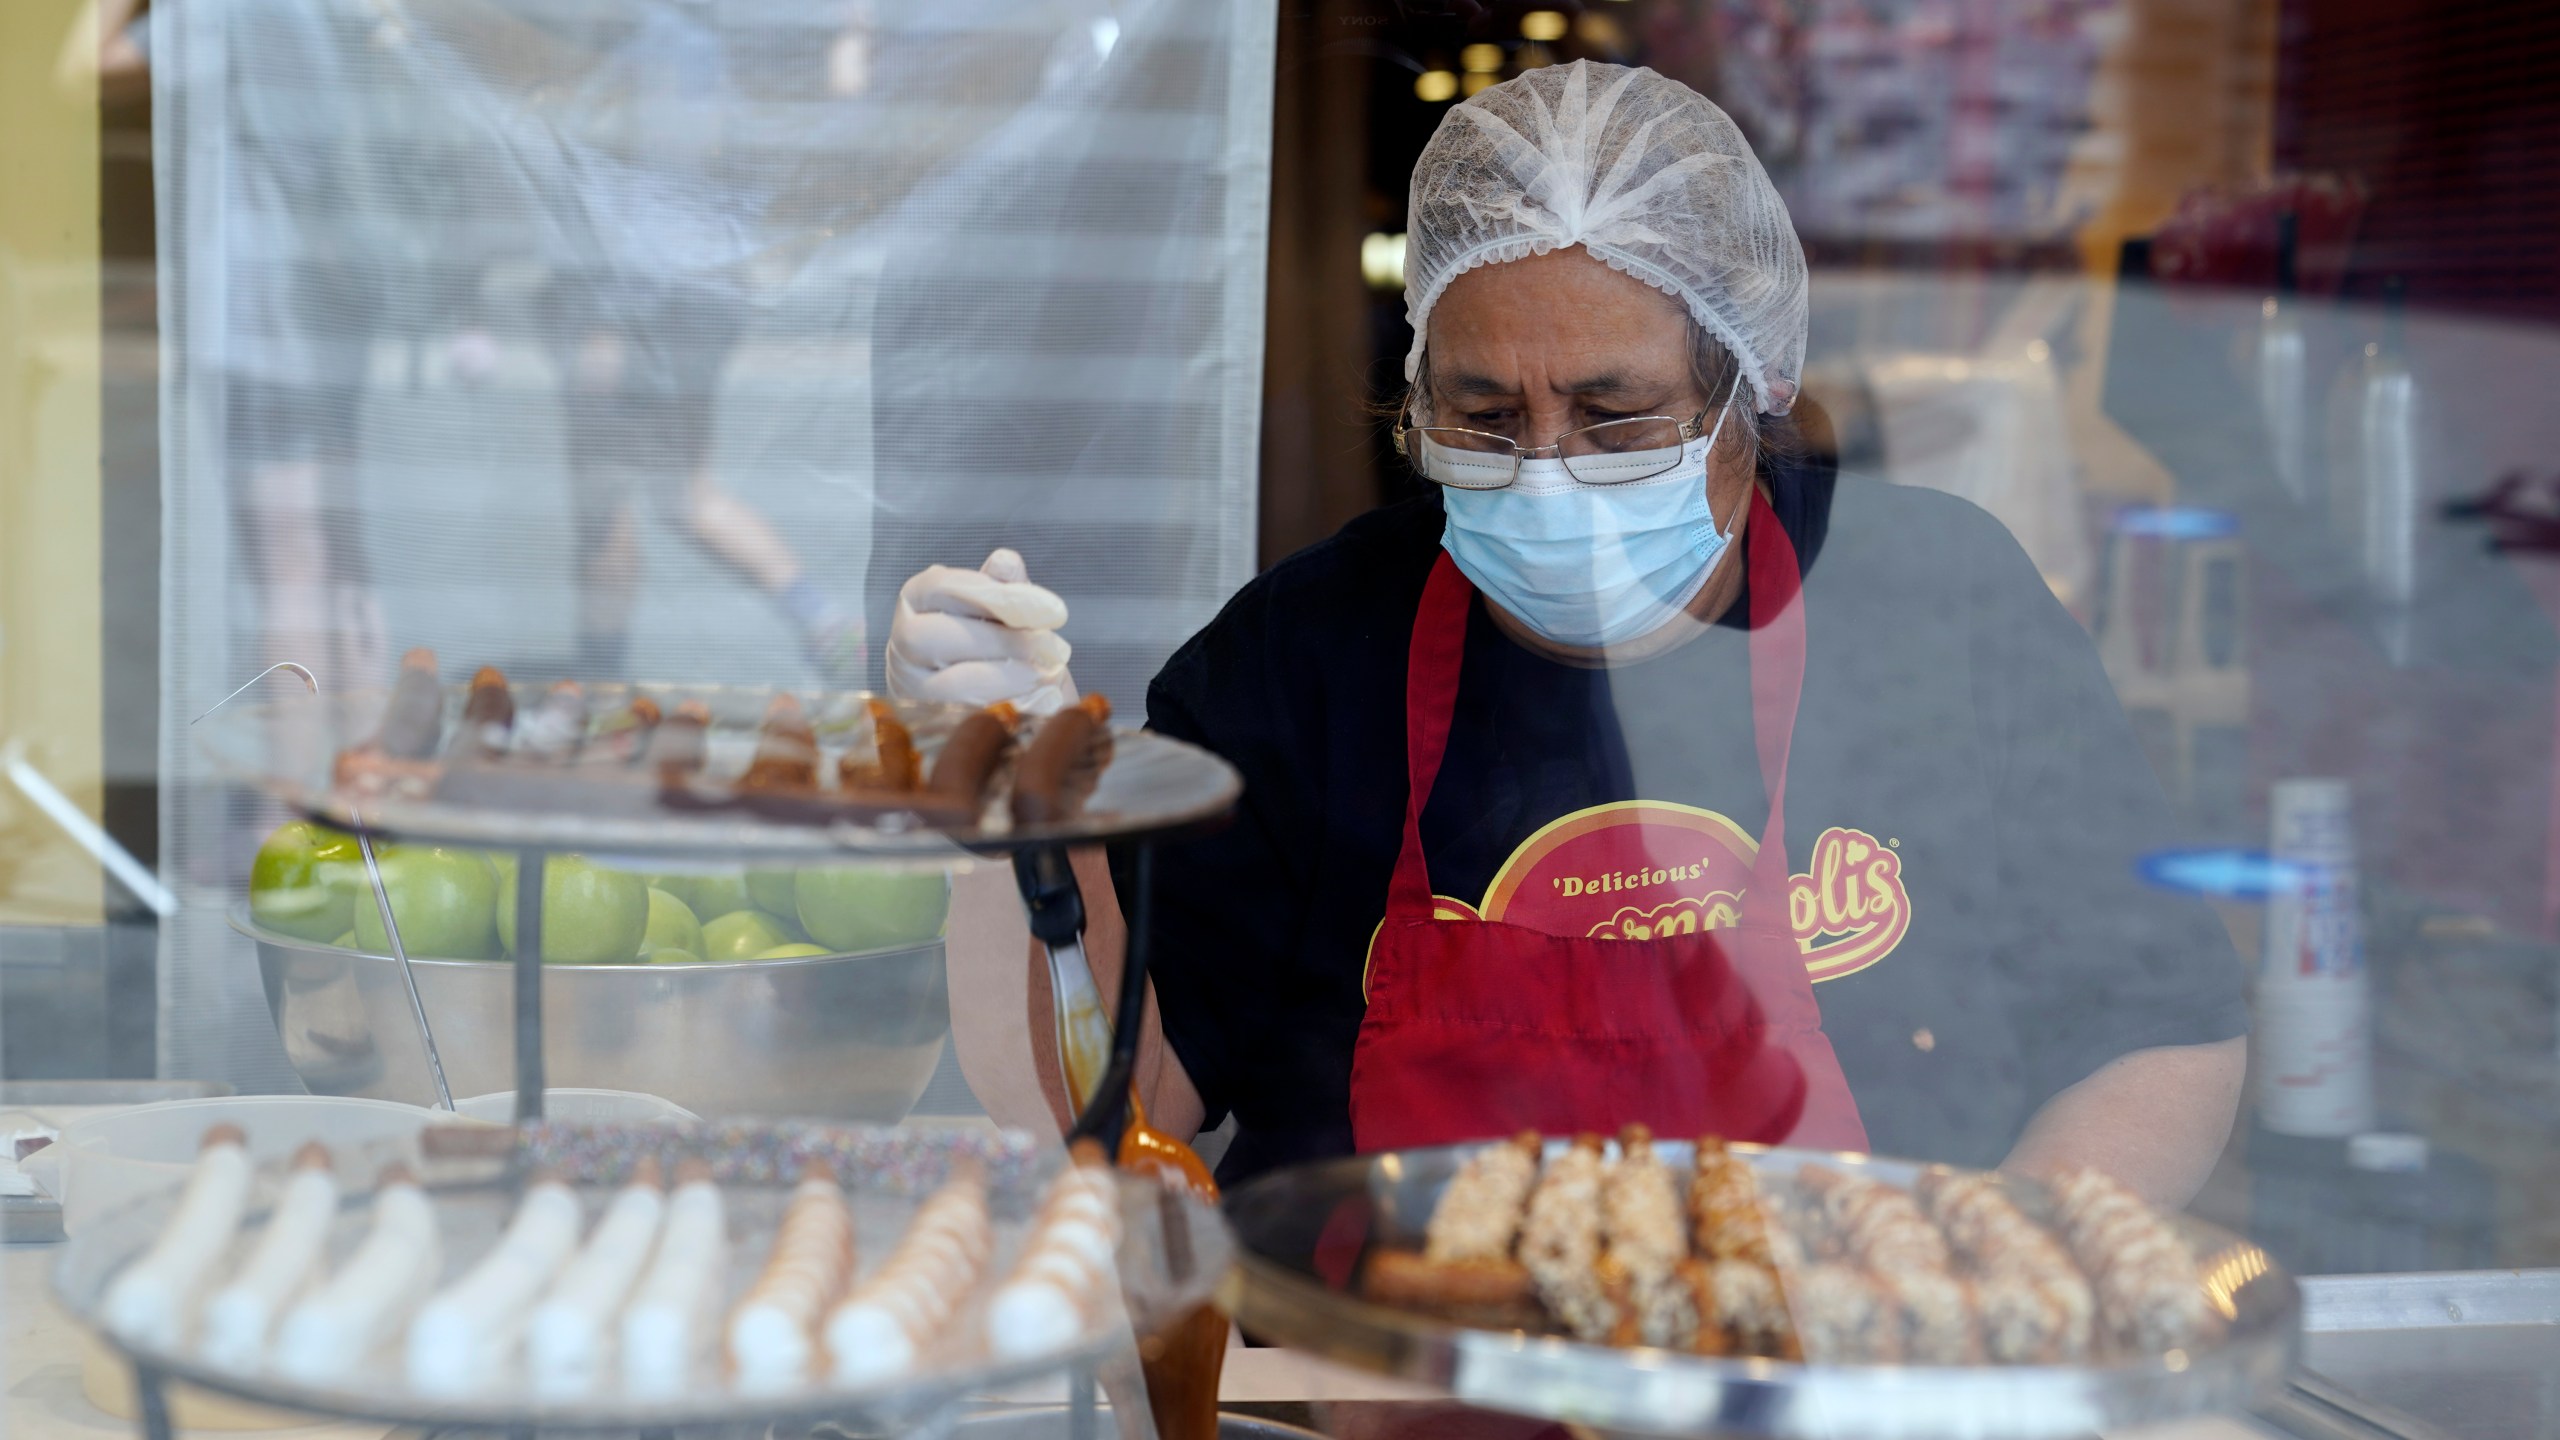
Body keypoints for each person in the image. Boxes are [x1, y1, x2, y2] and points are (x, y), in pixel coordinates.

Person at [915, 62, 2246, 1205]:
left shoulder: (1938, 605)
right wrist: (1010, 815)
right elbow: (1104, 1099)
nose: (1545, 470)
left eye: (1615, 417)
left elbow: (2160, 1033)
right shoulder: (1306, 658)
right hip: (1386, 1384)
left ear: (1747, 393)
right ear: (1420, 402)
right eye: (1487, 417)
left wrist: (1967, 1312)